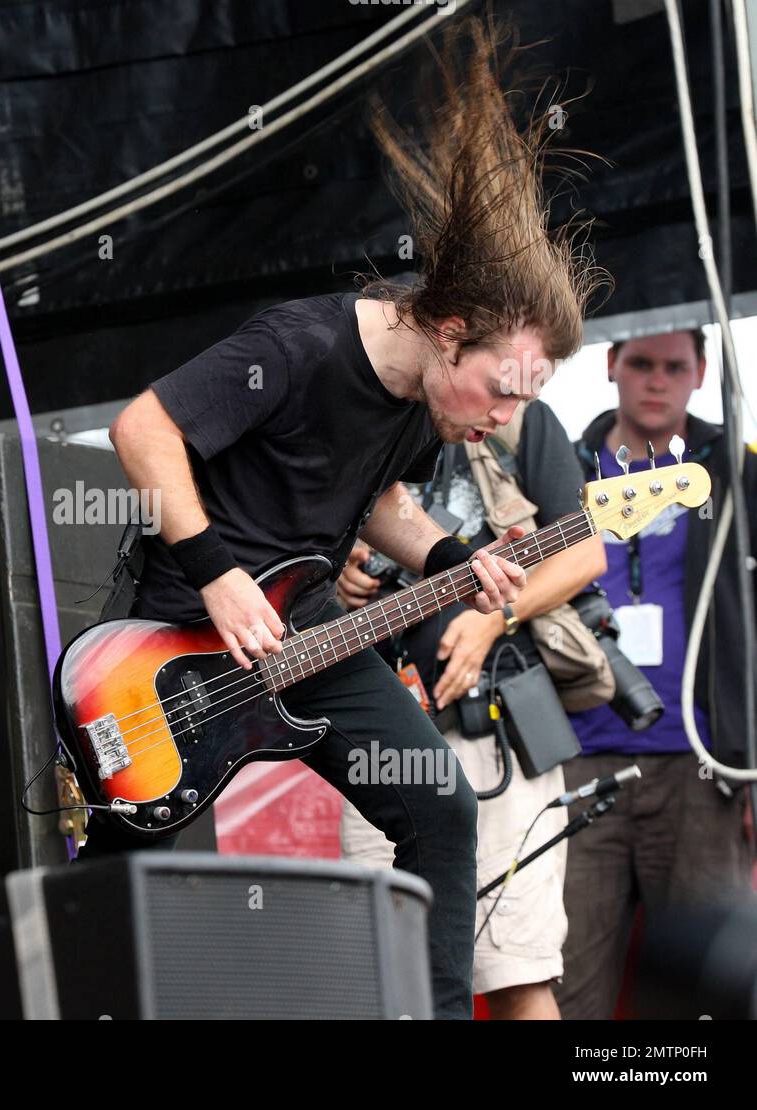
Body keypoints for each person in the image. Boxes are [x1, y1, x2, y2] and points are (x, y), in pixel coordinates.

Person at [77, 18, 607, 1019]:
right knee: (135, 863)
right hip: (185, 631)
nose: (506, 419)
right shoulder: (296, 345)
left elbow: (375, 504)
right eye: (500, 389)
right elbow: (142, 428)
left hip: (307, 623)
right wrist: (217, 569)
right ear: (449, 335)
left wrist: (456, 555)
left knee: (438, 810)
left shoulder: (426, 404)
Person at [336, 398, 605, 1019]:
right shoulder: (359, 415)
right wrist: (343, 571)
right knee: (385, 978)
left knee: (515, 969)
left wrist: (494, 622)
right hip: (377, 745)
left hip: (493, 733)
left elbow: (586, 553)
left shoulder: (518, 422)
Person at [557, 328, 757, 1018]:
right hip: (577, 761)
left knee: (701, 990)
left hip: (702, 766)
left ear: (701, 373)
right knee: (568, 984)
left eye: (675, 366)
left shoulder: (738, 469)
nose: (656, 380)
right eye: (640, 363)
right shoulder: (558, 463)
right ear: (610, 363)